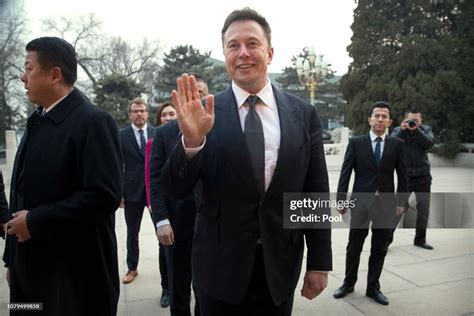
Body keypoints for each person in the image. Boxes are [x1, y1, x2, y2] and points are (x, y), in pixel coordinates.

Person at [160, 8, 332, 315]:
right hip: (218, 268)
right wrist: (192, 142)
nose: (243, 53)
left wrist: (319, 261)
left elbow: (314, 191)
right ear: (225, 55)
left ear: (270, 51)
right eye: (233, 46)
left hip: (279, 267)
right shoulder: (203, 112)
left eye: (252, 44)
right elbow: (175, 188)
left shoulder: (303, 114)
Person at [3, 36, 122, 315]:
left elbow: (104, 196)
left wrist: (35, 220)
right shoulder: (37, 120)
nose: (22, 77)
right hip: (26, 272)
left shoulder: (93, 122)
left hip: (72, 280)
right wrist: (11, 260)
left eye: (28, 68)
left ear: (55, 74)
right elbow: (18, 191)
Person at [333, 101, 408, 306]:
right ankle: (348, 283)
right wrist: (341, 200)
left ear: (390, 122)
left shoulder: (397, 145)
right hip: (360, 204)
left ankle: (373, 287)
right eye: (377, 115)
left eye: (384, 116)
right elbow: (345, 173)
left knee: (380, 247)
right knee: (354, 246)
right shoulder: (356, 143)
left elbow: (403, 175)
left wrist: (402, 202)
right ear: (370, 119)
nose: (380, 119)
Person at [151, 89, 207, 316]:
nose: (200, 99)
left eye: (203, 93)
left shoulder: (221, 127)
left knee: (206, 288)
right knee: (179, 287)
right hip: (177, 223)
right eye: (196, 93)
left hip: (212, 224)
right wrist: (161, 219)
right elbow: (155, 178)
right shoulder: (165, 132)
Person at [120, 98, 156, 285]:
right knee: (132, 232)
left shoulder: (157, 133)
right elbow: (117, 165)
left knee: (162, 230)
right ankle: (132, 267)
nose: (139, 114)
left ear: (147, 113)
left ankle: (166, 268)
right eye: (135, 111)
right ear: (130, 114)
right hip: (131, 192)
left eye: (142, 110)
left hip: (154, 192)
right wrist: (119, 193)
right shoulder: (122, 135)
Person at [144, 102, 176, 308]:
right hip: (161, 204)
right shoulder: (154, 141)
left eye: (172, 113)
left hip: (187, 206)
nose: (168, 117)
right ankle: (167, 287)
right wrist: (151, 203)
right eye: (164, 115)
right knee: (166, 249)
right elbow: (150, 175)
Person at [390, 108, 435, 249]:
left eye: (416, 120)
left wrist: (416, 130)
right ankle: (386, 240)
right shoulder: (399, 130)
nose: (413, 122)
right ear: (405, 119)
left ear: (421, 120)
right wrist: (403, 130)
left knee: (423, 209)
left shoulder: (425, 130)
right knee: (398, 208)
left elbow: (429, 144)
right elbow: (392, 144)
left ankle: (420, 240)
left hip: (423, 177)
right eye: (411, 120)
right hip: (406, 177)